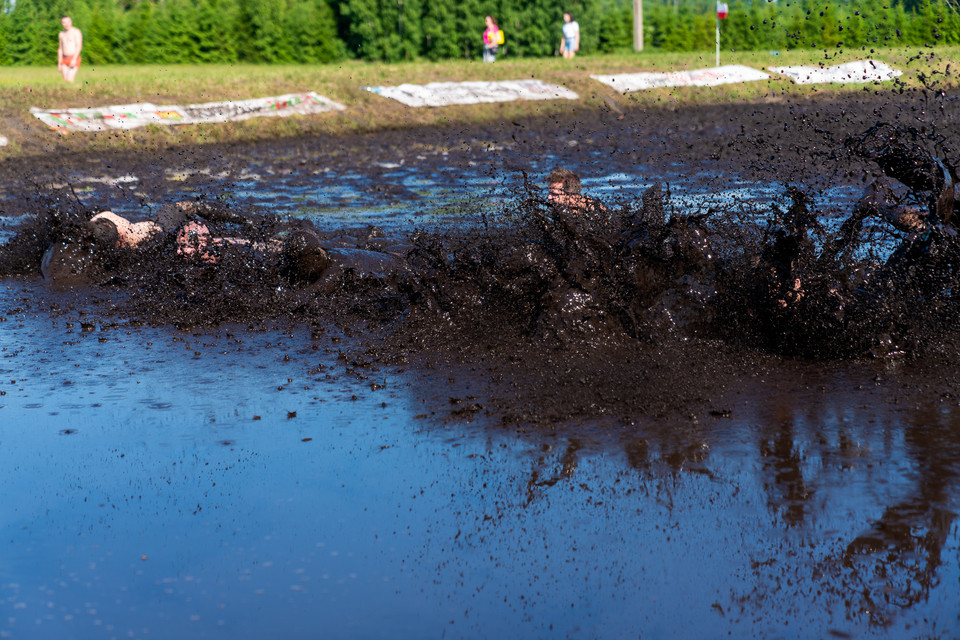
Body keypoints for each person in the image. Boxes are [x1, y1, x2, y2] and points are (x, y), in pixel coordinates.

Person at [57, 16, 83, 83]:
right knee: (65, 80)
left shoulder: (76, 32)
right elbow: (60, 49)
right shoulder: (61, 34)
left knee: (70, 79)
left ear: (71, 22)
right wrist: (59, 63)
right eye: (64, 22)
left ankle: (74, 93)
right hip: (64, 59)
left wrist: (74, 59)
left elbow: (79, 46)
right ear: (62, 24)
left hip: (74, 58)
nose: (66, 24)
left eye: (68, 22)